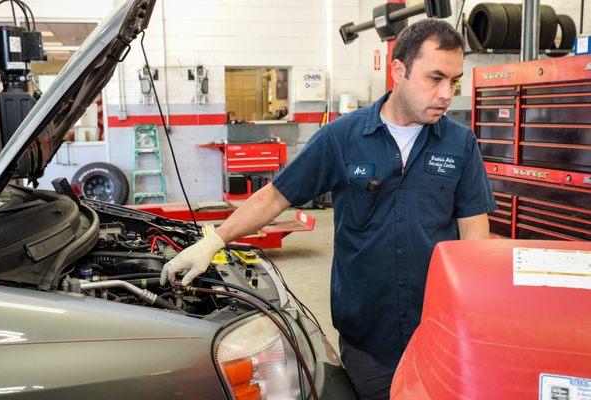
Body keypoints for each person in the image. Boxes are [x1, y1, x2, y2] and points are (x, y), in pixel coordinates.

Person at [161, 18, 497, 399]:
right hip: (368, 337)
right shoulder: (343, 137)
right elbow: (274, 196)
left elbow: (473, 234)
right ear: (399, 70)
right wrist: (212, 242)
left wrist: (469, 312)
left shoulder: (460, 143)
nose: (445, 94)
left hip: (436, 330)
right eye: (434, 78)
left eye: (453, 81)